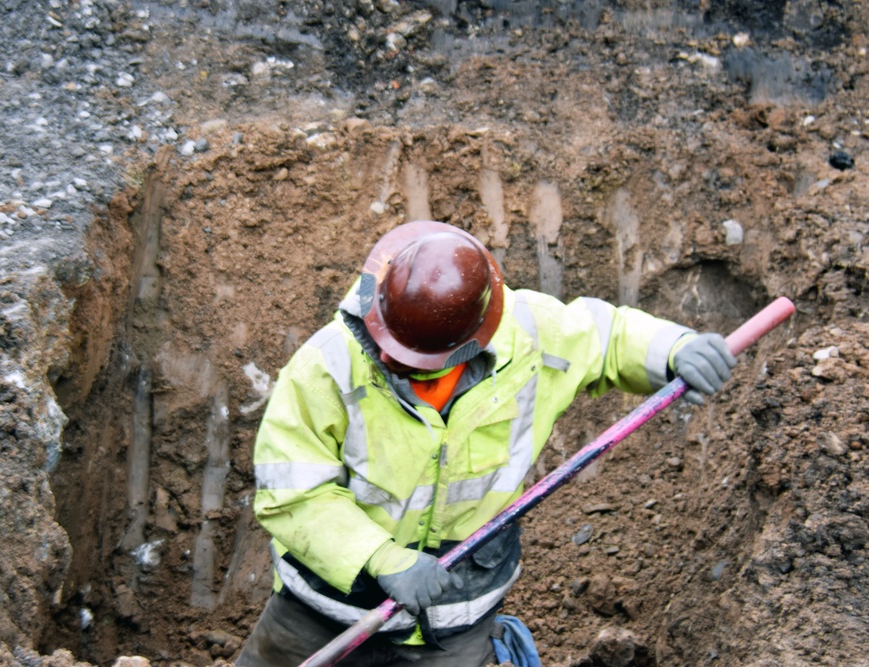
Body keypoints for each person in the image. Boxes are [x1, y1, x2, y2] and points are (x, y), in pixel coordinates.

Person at [236, 220, 736, 667]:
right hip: (324, 611)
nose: (391, 363)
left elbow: (607, 337)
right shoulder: (326, 366)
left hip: (454, 621)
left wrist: (675, 348)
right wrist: (379, 558)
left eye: (413, 361)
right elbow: (295, 496)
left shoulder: (533, 339)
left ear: (471, 341)